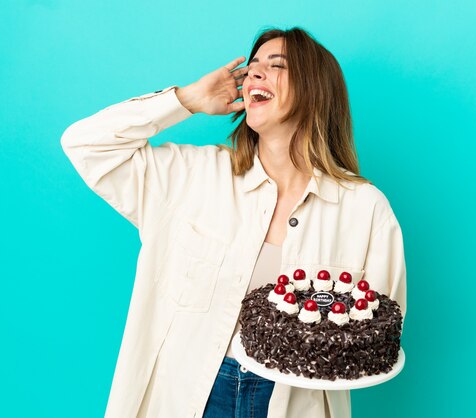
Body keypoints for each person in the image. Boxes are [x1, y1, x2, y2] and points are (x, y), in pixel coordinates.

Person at [61, 26, 406, 418]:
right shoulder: (190, 177)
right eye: (253, 66)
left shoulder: (365, 211)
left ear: (315, 90)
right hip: (188, 395)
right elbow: (84, 144)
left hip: (293, 403)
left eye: (277, 66)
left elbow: (372, 334)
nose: (255, 73)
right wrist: (186, 99)